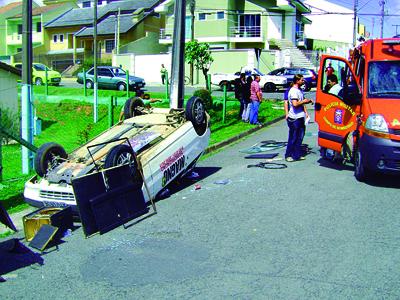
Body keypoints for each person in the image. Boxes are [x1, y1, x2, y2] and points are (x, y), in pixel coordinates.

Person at [285, 74, 313, 162]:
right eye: (301, 80)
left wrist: (306, 109)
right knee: (293, 137)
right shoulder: (293, 91)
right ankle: (288, 155)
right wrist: (304, 101)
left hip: (300, 117)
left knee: (300, 137)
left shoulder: (299, 90)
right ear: (297, 81)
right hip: (294, 118)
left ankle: (296, 154)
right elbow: (295, 104)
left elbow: (302, 103)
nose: (303, 81)